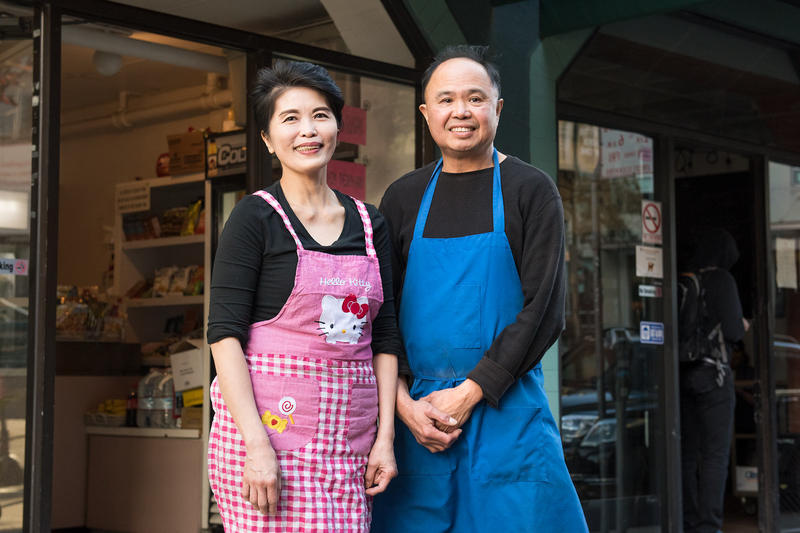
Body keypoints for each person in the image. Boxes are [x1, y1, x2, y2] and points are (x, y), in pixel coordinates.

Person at [371, 45, 587, 532]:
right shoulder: (403, 197)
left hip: (504, 409)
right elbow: (381, 312)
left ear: (498, 107)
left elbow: (545, 311)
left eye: (475, 98)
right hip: (418, 419)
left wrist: (469, 392)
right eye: (446, 100)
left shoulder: (530, 190)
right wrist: (403, 405)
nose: (460, 112)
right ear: (426, 113)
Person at [206, 60, 399, 532]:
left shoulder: (372, 224)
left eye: (320, 115)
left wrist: (385, 439)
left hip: (350, 444)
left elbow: (386, 337)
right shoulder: (254, 218)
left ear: (337, 127)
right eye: (289, 118)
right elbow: (223, 334)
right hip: (270, 441)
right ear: (269, 140)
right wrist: (257, 447)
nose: (307, 130)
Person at [680, 228, 746, 533]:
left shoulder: (687, 278)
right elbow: (734, 331)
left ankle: (689, 520)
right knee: (715, 454)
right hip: (714, 377)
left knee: (688, 452)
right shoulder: (723, 280)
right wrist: (744, 324)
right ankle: (709, 525)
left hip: (683, 375)